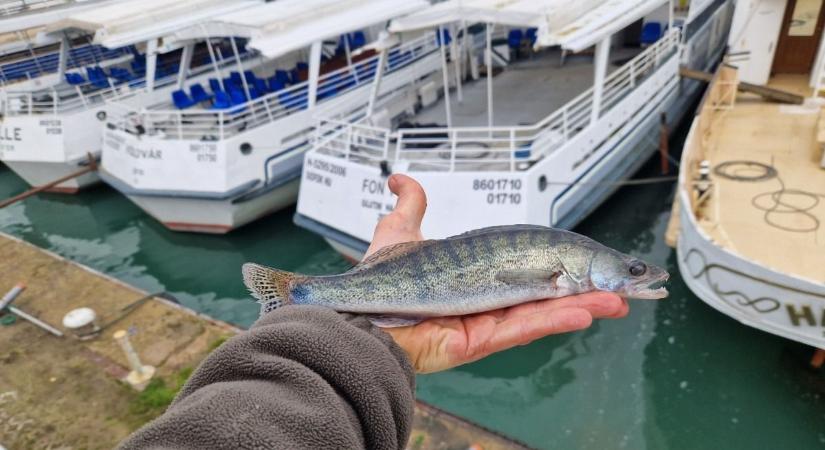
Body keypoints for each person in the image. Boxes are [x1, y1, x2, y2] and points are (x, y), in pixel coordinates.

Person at [120, 174, 628, 450]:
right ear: (587, 263)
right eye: (630, 270)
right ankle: (297, 293)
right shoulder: (563, 264)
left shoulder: (566, 267)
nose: (636, 276)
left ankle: (298, 297)